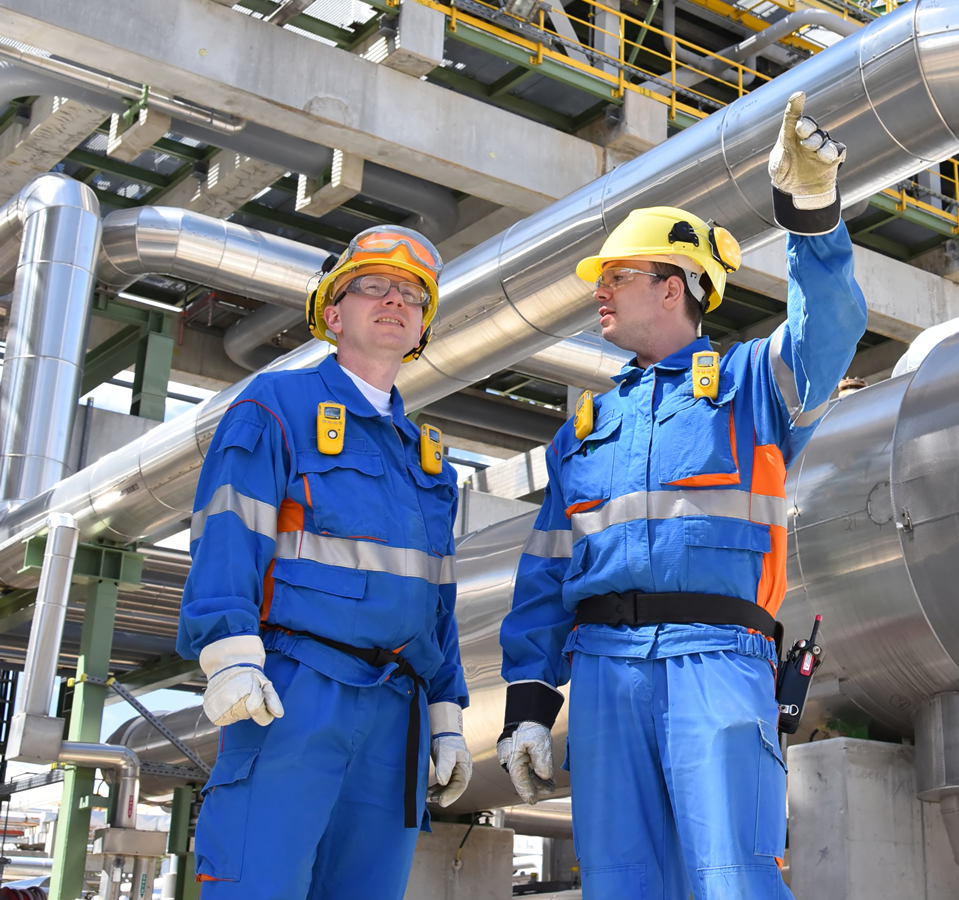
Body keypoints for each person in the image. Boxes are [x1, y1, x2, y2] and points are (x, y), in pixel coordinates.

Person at [497, 90, 867, 900]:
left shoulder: (747, 388)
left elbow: (828, 332)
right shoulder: (587, 428)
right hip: (601, 673)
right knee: (620, 883)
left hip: (717, 661)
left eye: (617, 277)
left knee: (734, 879)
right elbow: (547, 571)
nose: (599, 290)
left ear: (675, 288)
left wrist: (811, 215)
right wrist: (529, 699)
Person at [176, 225, 472, 899]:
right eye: (372, 287)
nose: (394, 300)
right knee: (257, 884)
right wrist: (230, 654)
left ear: (422, 329)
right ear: (332, 314)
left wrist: (448, 716)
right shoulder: (274, 407)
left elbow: (437, 601)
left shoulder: (428, 461)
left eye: (411, 295)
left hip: (399, 710)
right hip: (294, 691)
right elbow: (230, 531)